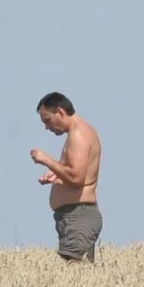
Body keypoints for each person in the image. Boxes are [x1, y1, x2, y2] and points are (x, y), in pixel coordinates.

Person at [30, 92, 102, 262]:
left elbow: (76, 178)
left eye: (47, 120)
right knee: (77, 279)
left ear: (60, 112)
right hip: (73, 218)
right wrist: (57, 177)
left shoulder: (79, 135)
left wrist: (45, 160)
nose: (47, 127)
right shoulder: (78, 133)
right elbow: (75, 174)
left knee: (76, 276)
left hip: (78, 217)